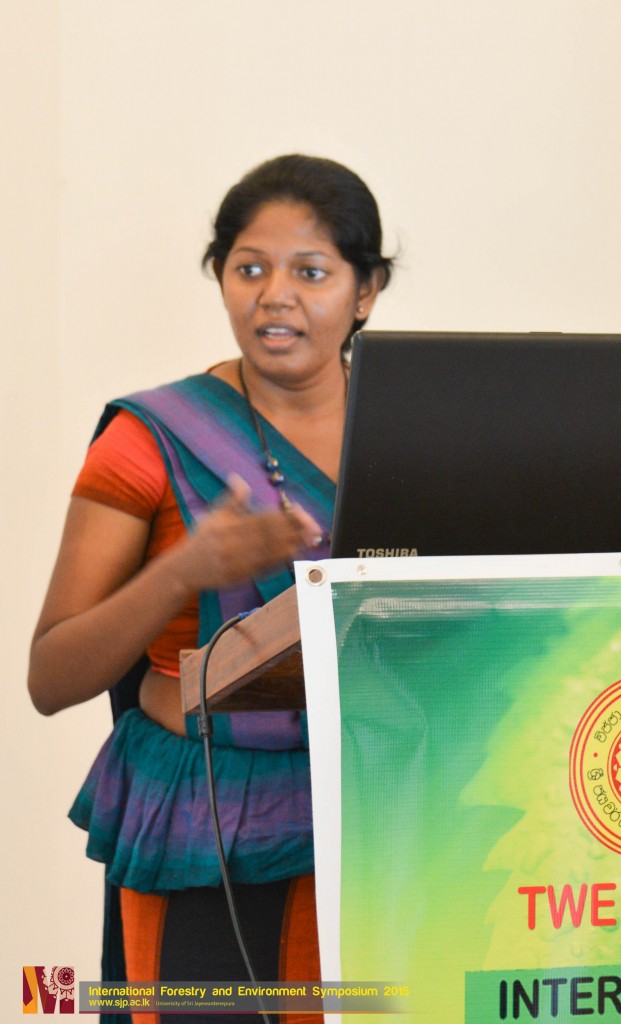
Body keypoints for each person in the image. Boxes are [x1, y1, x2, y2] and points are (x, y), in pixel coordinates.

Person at [28, 154, 393, 1024]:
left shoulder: (417, 431)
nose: (275, 296)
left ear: (366, 292)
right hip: (208, 828)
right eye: (249, 269)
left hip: (387, 814)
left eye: (311, 273)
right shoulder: (150, 438)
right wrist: (183, 571)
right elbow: (51, 676)